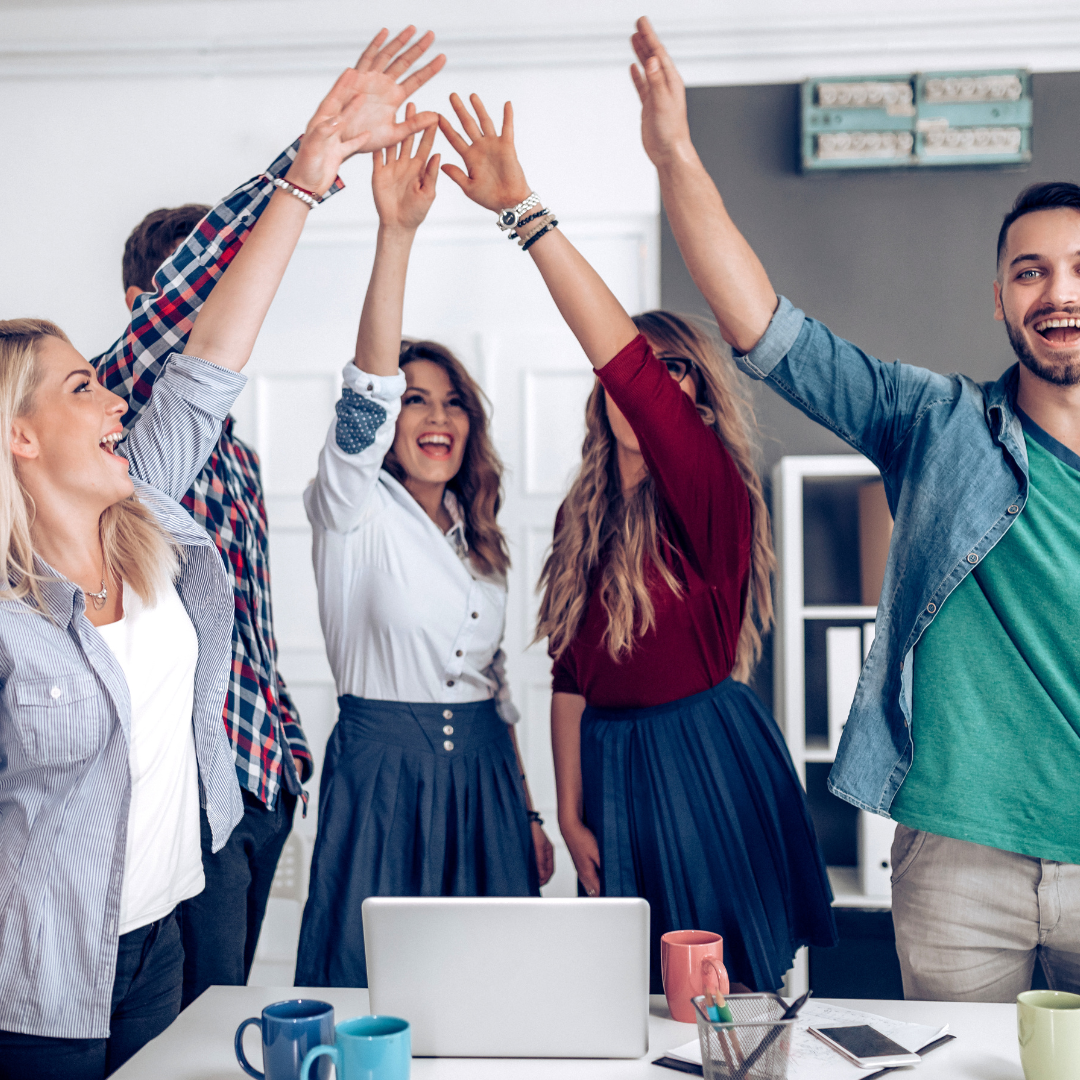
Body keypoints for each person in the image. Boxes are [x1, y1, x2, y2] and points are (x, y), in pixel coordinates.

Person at [627, 17, 1080, 1002]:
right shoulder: (939, 423)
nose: (1058, 293)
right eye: (1031, 270)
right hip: (960, 863)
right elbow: (767, 329)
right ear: (1000, 298)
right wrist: (674, 155)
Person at [0, 77, 372, 1080]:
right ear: (18, 436)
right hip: (36, 979)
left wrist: (308, 179)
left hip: (156, 942)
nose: (115, 398)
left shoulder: (147, 514)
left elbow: (210, 359)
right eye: (86, 385)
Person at [438, 92, 837, 994]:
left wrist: (522, 211)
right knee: (630, 998)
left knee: (725, 996)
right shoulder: (585, 526)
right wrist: (573, 813)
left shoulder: (713, 496)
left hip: (700, 758)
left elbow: (629, 368)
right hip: (611, 771)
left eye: (672, 378)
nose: (646, 387)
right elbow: (571, 679)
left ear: (693, 404)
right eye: (632, 375)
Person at [96, 27, 446, 1006]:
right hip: (173, 805)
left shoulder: (237, 459)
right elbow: (191, 323)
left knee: (226, 1021)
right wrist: (308, 165)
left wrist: (283, 751)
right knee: (182, 1032)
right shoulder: (120, 440)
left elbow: (244, 621)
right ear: (144, 307)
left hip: (257, 774)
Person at [294, 113, 555, 989]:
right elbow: (361, 396)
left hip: (484, 772)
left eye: (451, 402)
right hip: (382, 772)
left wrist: (525, 809)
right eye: (414, 401)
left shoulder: (484, 540)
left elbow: (498, 691)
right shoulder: (347, 505)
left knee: (493, 986)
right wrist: (394, 235)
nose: (435, 416)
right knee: (376, 983)